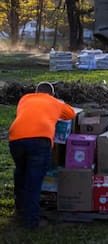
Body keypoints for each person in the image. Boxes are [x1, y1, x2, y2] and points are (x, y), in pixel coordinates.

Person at [8, 81, 75, 229]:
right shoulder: (54, 102)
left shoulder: (25, 99)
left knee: (21, 172)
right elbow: (70, 114)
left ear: (36, 92)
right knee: (34, 181)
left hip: (15, 138)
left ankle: (20, 209)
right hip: (40, 140)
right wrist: (59, 103)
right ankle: (31, 222)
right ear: (52, 94)